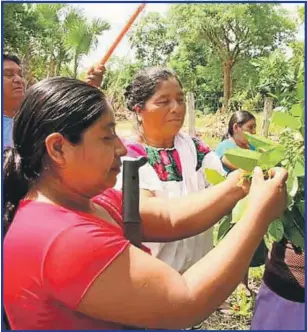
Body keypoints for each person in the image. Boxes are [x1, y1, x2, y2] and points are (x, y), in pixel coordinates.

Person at [4, 77, 287, 330]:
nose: (121, 147)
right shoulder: (62, 237)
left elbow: (167, 217)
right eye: (106, 136)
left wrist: (238, 185)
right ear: (58, 148)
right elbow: (184, 299)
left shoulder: (87, 200)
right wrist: (258, 214)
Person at [119, 67, 225, 276]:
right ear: (139, 110)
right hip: (151, 282)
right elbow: (150, 215)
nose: (176, 108)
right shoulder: (127, 156)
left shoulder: (196, 149)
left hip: (197, 276)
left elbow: (223, 187)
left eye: (180, 99)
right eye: (163, 101)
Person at [2, 53, 104, 148]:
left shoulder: (37, 117)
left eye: (20, 75)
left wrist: (89, 87)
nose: (19, 80)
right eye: (8, 74)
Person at [215, 111, 267, 295]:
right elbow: (237, 165)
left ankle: (242, 283)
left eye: (254, 128)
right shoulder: (226, 147)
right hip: (232, 205)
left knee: (248, 244)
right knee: (234, 243)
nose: (253, 132)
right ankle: (233, 285)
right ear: (236, 128)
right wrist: (262, 168)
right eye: (250, 128)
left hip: (250, 202)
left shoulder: (251, 148)